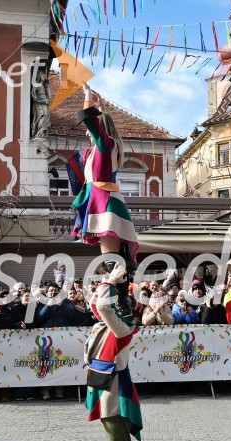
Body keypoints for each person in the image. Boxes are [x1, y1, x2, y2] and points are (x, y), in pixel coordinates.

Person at [70, 85, 139, 317]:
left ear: (101, 129)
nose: (87, 134)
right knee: (112, 258)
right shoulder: (102, 149)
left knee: (111, 259)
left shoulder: (105, 144)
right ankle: (123, 302)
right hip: (103, 201)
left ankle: (121, 302)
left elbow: (89, 122)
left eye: (92, 131)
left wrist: (88, 98)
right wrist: (102, 108)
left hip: (105, 203)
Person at [86, 264, 142, 441]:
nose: (95, 303)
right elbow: (101, 307)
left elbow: (105, 307)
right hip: (104, 391)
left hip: (115, 397)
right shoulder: (105, 326)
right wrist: (114, 285)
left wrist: (110, 282)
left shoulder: (123, 328)